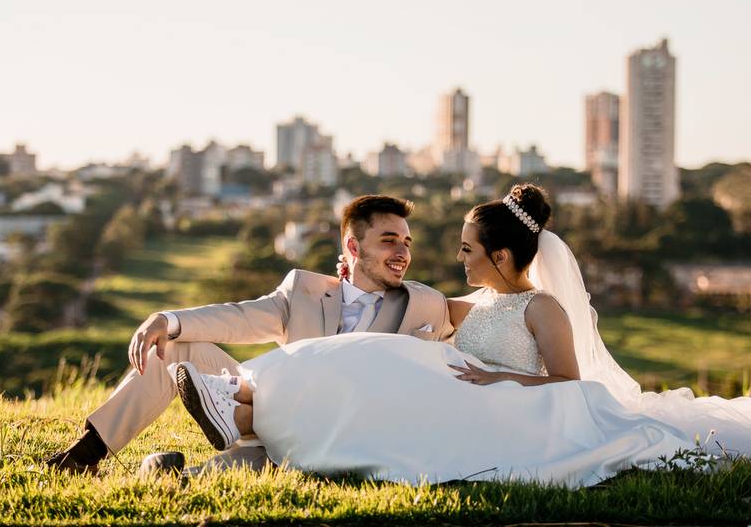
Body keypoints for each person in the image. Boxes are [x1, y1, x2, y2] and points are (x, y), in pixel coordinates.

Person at [174, 184, 751, 487]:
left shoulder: (543, 311)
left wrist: (498, 378)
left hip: (514, 405)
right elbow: (416, 303)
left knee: (382, 365)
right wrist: (357, 275)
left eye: (467, 250)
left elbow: (569, 385)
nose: (459, 259)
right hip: (467, 393)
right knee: (374, 355)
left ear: (503, 256)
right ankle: (235, 402)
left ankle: (239, 405)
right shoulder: (469, 303)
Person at [46, 194, 453, 474]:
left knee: (212, 474)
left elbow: (471, 325)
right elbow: (238, 317)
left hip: (336, 436)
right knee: (175, 346)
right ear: (353, 246)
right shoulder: (304, 292)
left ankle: (196, 454)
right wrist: (166, 319)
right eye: (389, 241)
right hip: (272, 410)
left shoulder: (425, 305)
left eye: (407, 242)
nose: (403, 253)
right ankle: (84, 455)